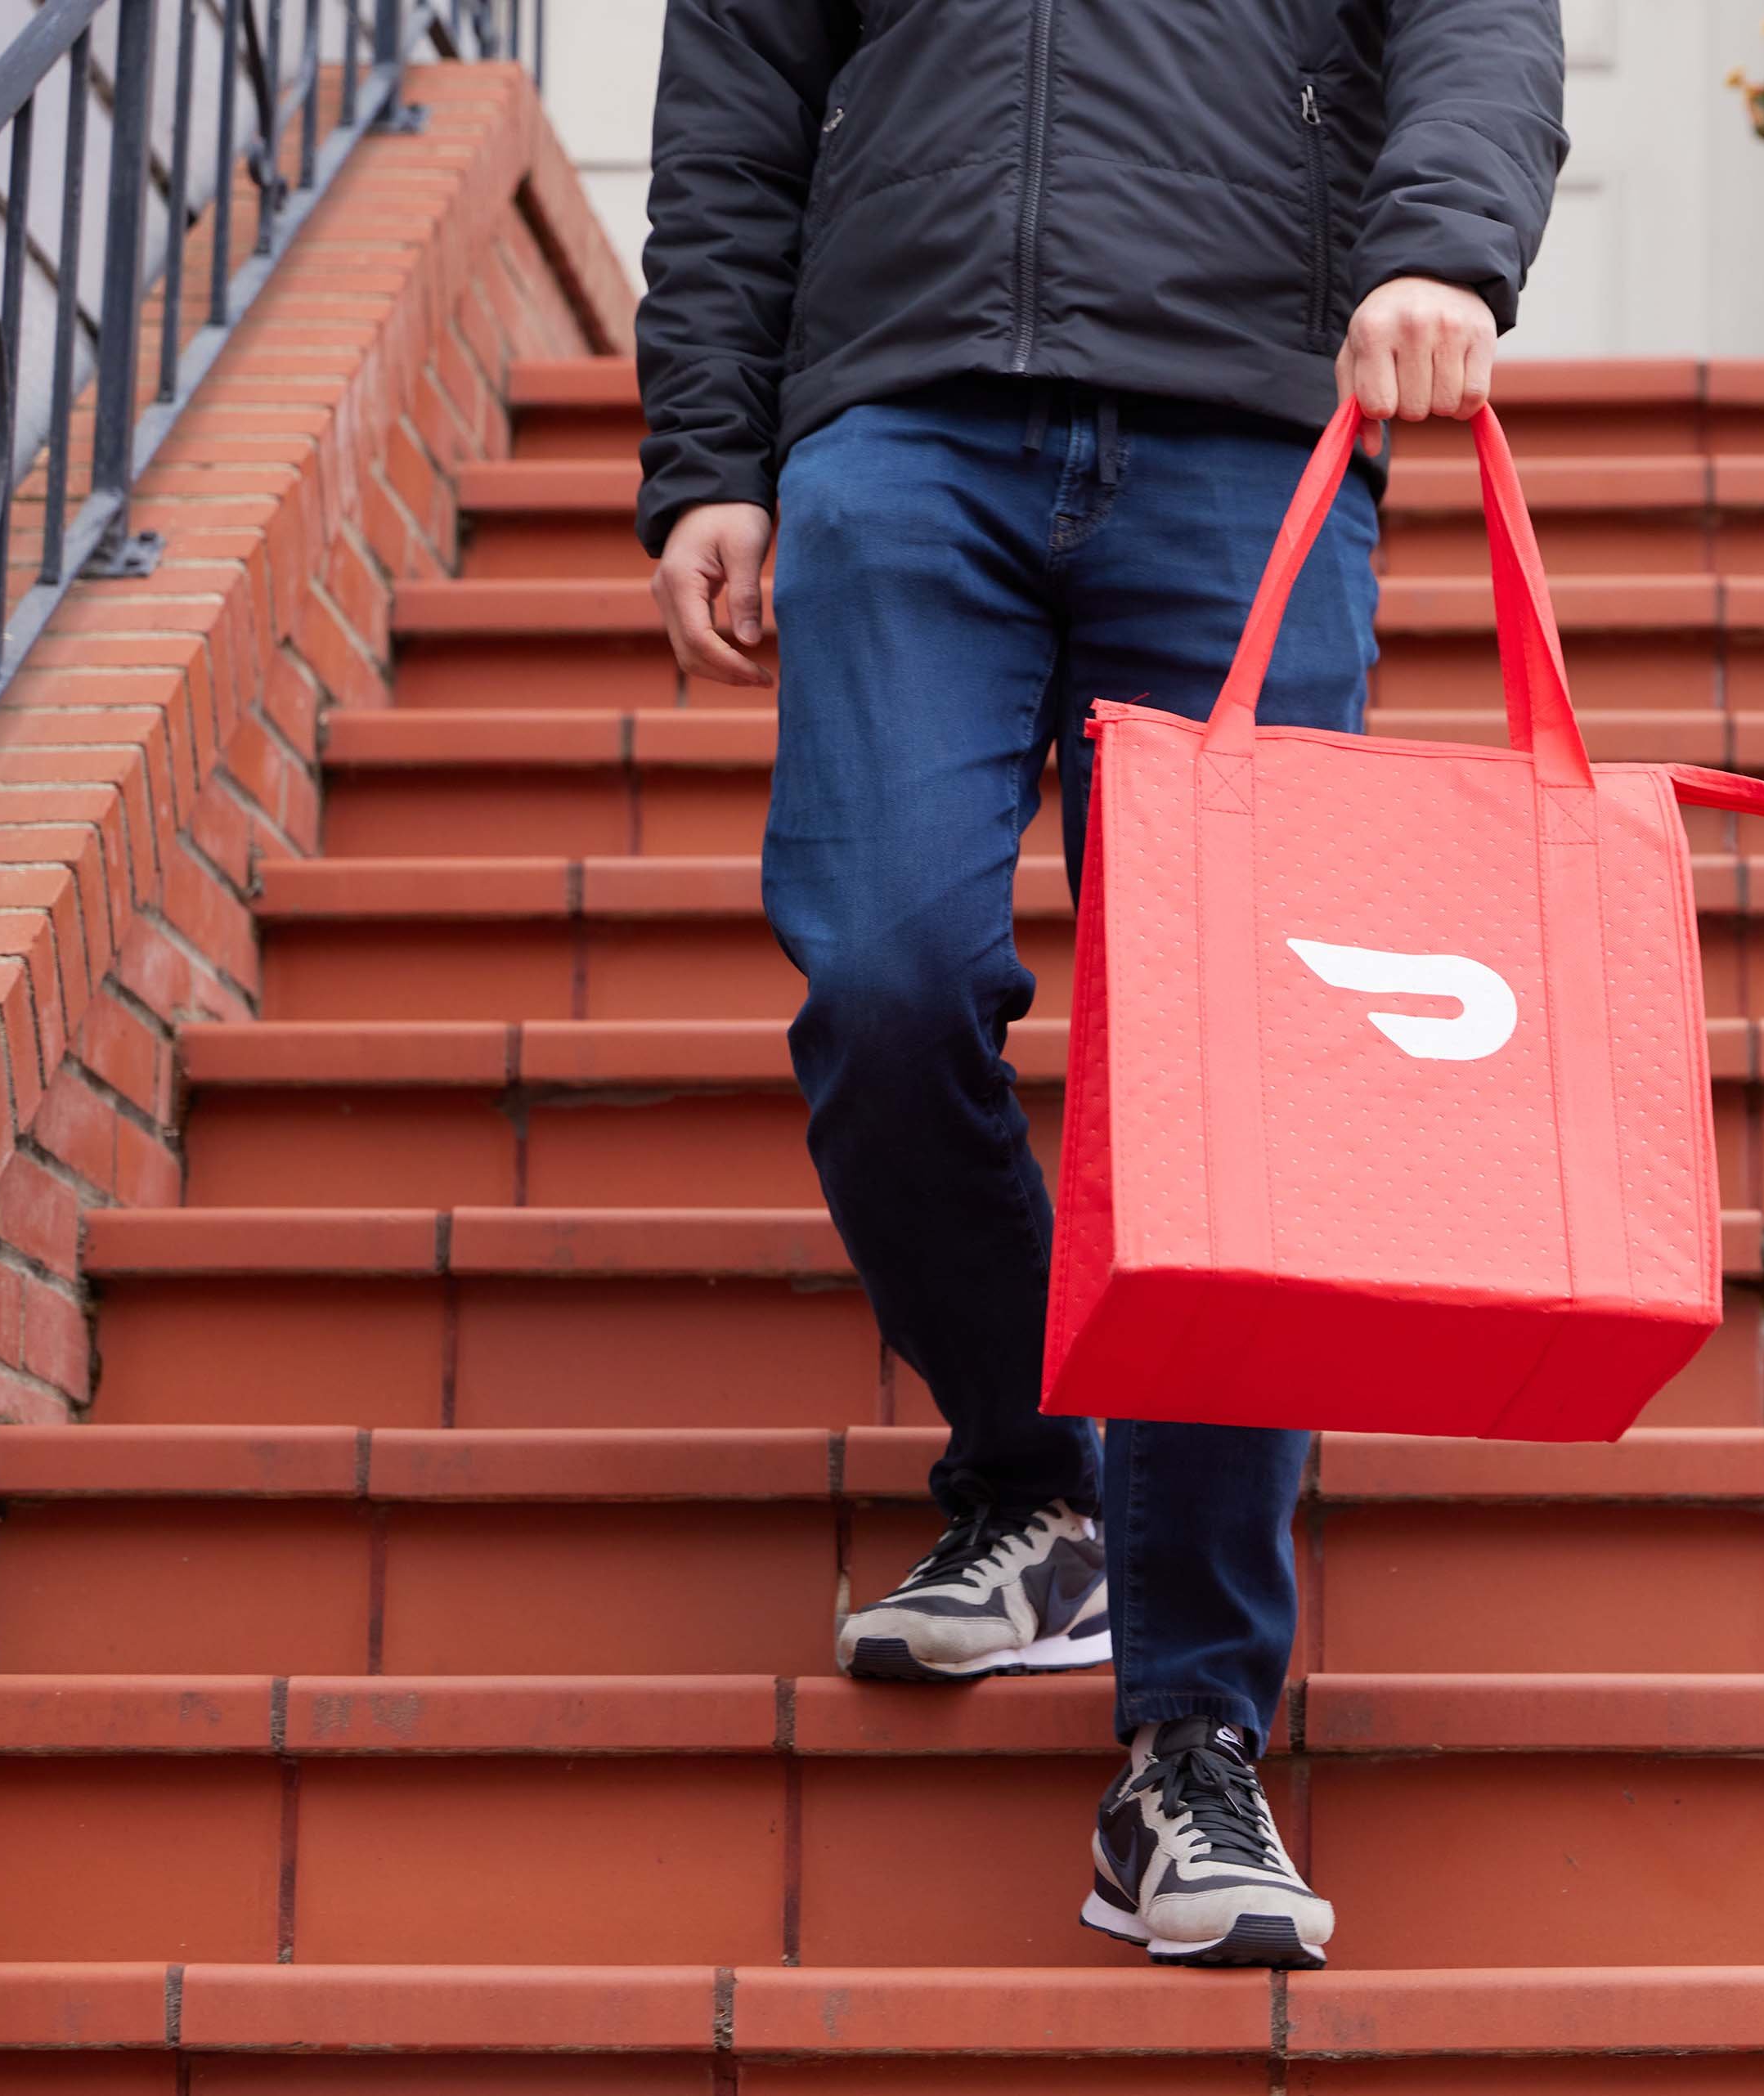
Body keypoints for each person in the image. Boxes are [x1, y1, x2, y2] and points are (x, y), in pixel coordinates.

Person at [634, 1, 1566, 1971]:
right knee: (884, 977)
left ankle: (1191, 1734)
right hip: (895, 427)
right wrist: (709, 452)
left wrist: (1437, 248)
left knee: (1232, 1091)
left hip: (1243, 434)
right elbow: (732, 111)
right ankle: (1030, 1472)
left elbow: (1476, 22)